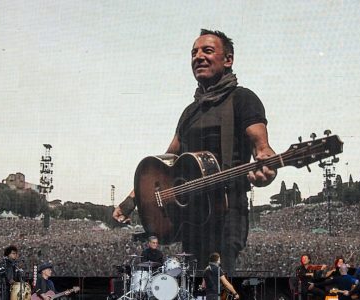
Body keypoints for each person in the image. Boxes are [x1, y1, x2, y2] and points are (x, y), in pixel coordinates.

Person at [113, 29, 276, 273]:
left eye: (207, 51)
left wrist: (268, 168)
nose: (198, 57)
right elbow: (163, 165)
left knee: (216, 282)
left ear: (228, 60)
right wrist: (131, 200)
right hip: (191, 217)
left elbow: (263, 149)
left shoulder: (242, 99)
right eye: (194, 53)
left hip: (226, 213)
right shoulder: (189, 113)